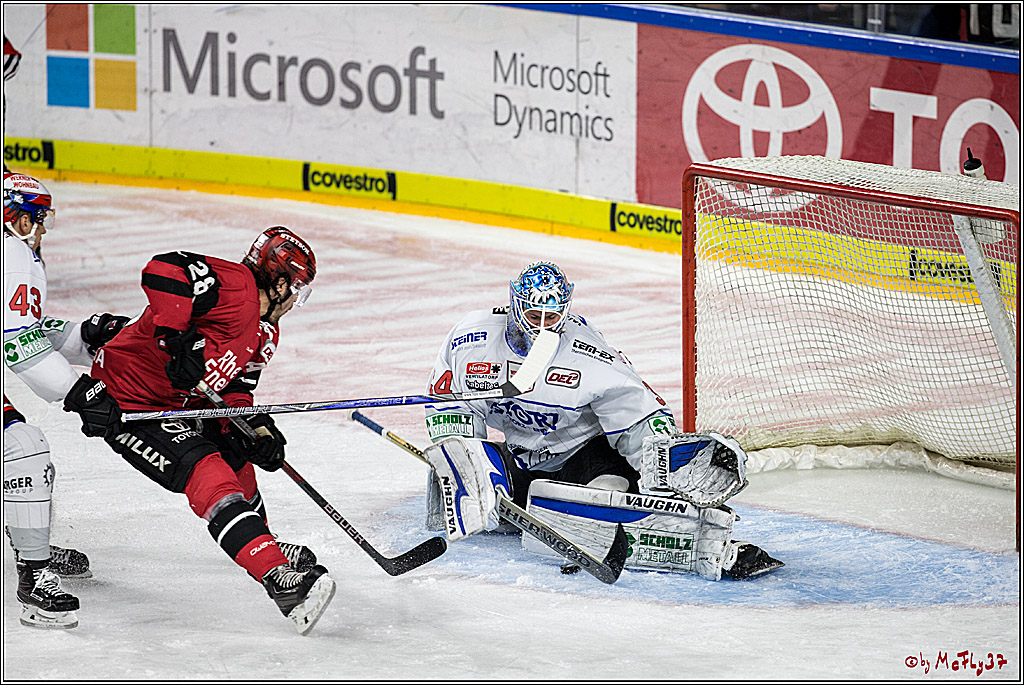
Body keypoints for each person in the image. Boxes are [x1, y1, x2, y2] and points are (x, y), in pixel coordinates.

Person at [420, 261, 783, 580]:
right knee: (460, 472)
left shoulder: (590, 355)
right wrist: (465, 458)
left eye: (553, 317)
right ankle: (541, 506)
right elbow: (448, 403)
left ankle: (679, 536)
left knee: (608, 492)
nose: (543, 326)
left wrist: (667, 470)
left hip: (583, 458)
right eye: (534, 315)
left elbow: (641, 418)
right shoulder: (471, 340)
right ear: (515, 305)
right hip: (520, 456)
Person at [61, 226, 336, 636]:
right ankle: (279, 580)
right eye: (298, 289)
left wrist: (252, 428)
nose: (298, 301)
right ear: (279, 282)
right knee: (207, 472)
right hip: (128, 400)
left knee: (236, 454)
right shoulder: (236, 287)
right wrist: (177, 337)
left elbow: (236, 389)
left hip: (181, 402)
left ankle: (264, 541)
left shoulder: (266, 330)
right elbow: (164, 269)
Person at [4, 172, 95, 629]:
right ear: (17, 218)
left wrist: (86, 337)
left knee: (22, 457)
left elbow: (25, 326)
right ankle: (33, 572)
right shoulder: (12, 252)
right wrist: (78, 392)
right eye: (38, 220)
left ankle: (28, 542)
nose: (41, 231)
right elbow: (17, 337)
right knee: (23, 452)